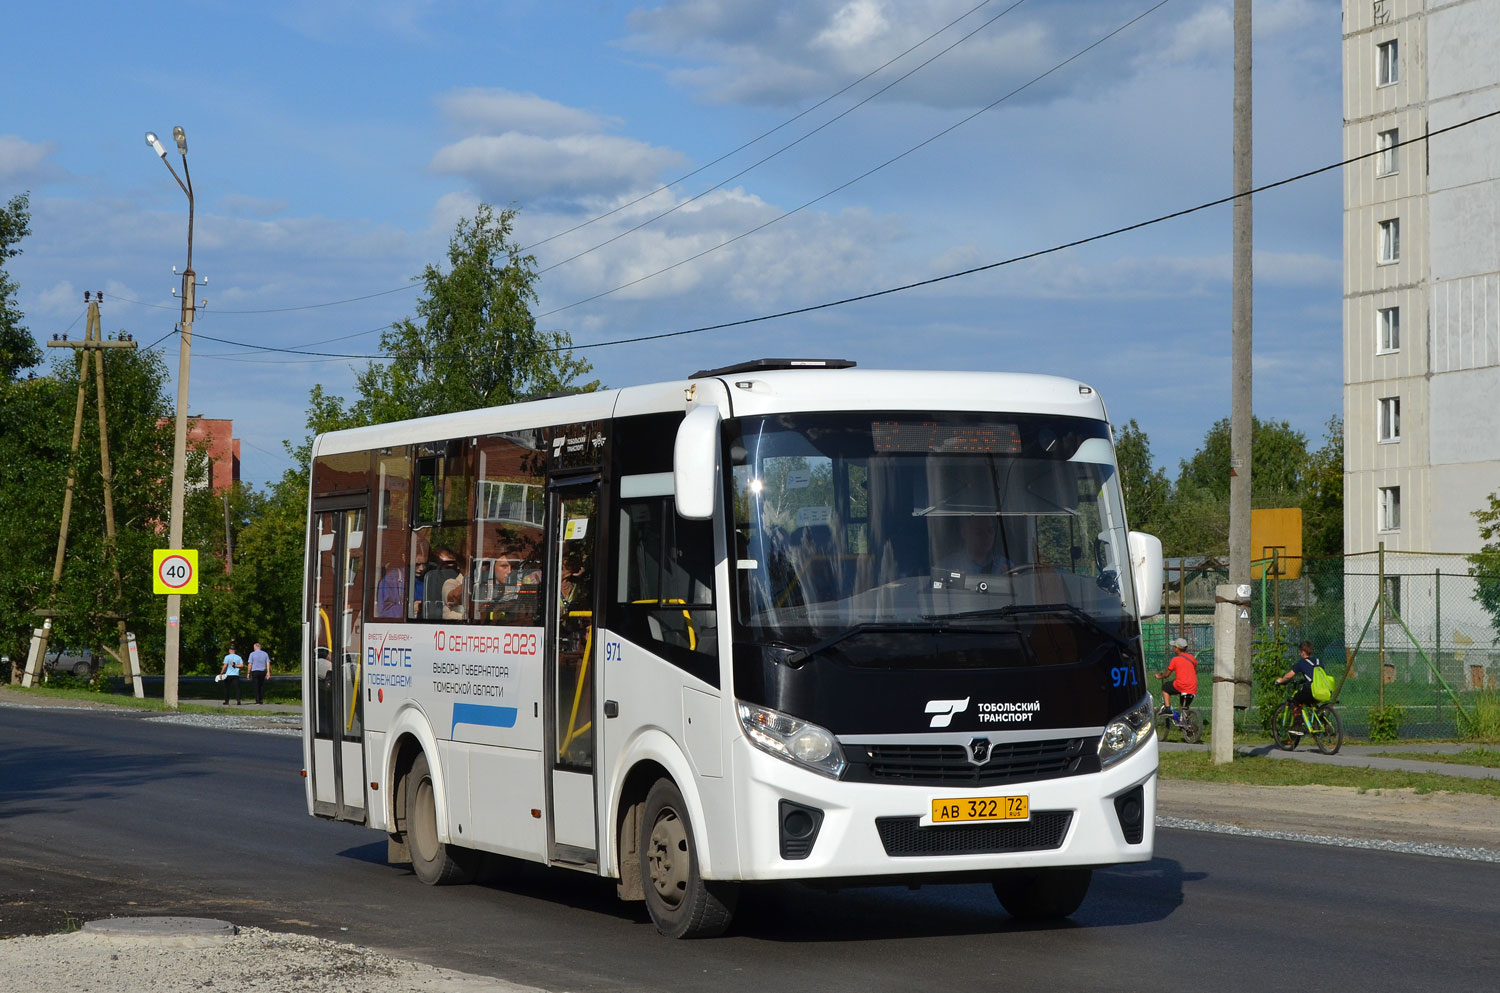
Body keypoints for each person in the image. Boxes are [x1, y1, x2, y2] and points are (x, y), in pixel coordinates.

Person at [940, 514, 1013, 574]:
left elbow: (1018, 588)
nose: (986, 537)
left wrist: (1011, 580)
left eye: (990, 531)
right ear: (964, 533)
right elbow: (933, 589)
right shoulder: (948, 566)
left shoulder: (1004, 565)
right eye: (978, 532)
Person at [1276, 641, 1325, 710]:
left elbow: (1289, 675)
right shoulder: (1318, 661)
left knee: (1295, 700)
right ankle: (1316, 719)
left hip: (1311, 690)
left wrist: (1281, 680)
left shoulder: (1302, 662)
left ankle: (1298, 720)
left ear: (1303, 652)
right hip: (1322, 688)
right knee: (1310, 703)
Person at [1156, 637, 1198, 714]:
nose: (1173, 649)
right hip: (1193, 687)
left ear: (1177, 649)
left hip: (1181, 685)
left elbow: (1167, 674)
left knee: (1165, 687)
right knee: (1184, 709)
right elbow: (1195, 670)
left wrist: (1160, 676)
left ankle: (1167, 708)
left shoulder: (1175, 659)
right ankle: (1186, 721)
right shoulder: (1192, 658)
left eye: (1174, 647)